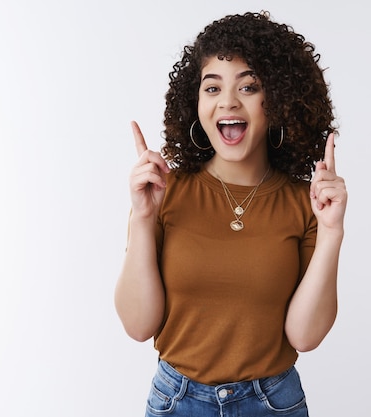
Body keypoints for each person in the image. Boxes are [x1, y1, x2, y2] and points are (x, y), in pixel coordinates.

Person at [115, 11, 347, 417]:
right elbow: (138, 326)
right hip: (177, 402)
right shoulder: (165, 193)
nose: (228, 101)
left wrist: (331, 233)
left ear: (276, 99)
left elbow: (304, 336)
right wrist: (141, 218)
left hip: (272, 404)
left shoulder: (303, 204)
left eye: (249, 86)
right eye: (212, 87)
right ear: (196, 102)